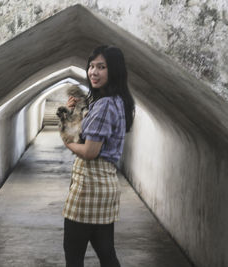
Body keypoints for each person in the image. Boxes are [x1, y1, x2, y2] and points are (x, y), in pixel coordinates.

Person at [62, 45, 135, 267]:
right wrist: (72, 113)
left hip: (89, 187)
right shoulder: (116, 101)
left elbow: (90, 152)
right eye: (91, 66)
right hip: (104, 185)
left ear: (114, 71)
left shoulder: (104, 105)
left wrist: (68, 141)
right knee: (106, 252)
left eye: (101, 67)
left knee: (73, 255)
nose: (93, 72)